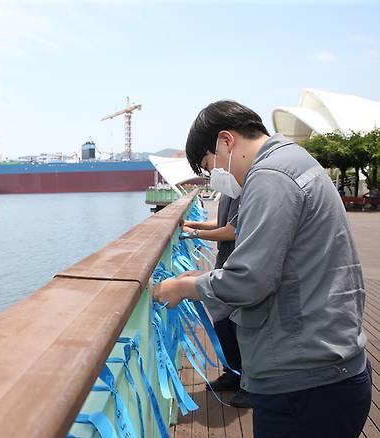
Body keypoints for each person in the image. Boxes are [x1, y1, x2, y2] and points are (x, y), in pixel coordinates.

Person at [154, 100, 370, 438]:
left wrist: (184, 288)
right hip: (328, 367)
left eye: (211, 167)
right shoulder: (292, 161)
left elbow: (251, 280)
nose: (217, 178)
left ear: (226, 141)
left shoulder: (270, 176)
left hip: (305, 381)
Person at [182, 194, 250, 408]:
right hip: (224, 264)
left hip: (239, 268)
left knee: (241, 330)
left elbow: (232, 231)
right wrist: (194, 223)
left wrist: (193, 233)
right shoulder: (229, 193)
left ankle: (249, 386)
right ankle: (232, 373)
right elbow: (223, 224)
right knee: (222, 324)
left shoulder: (245, 188)